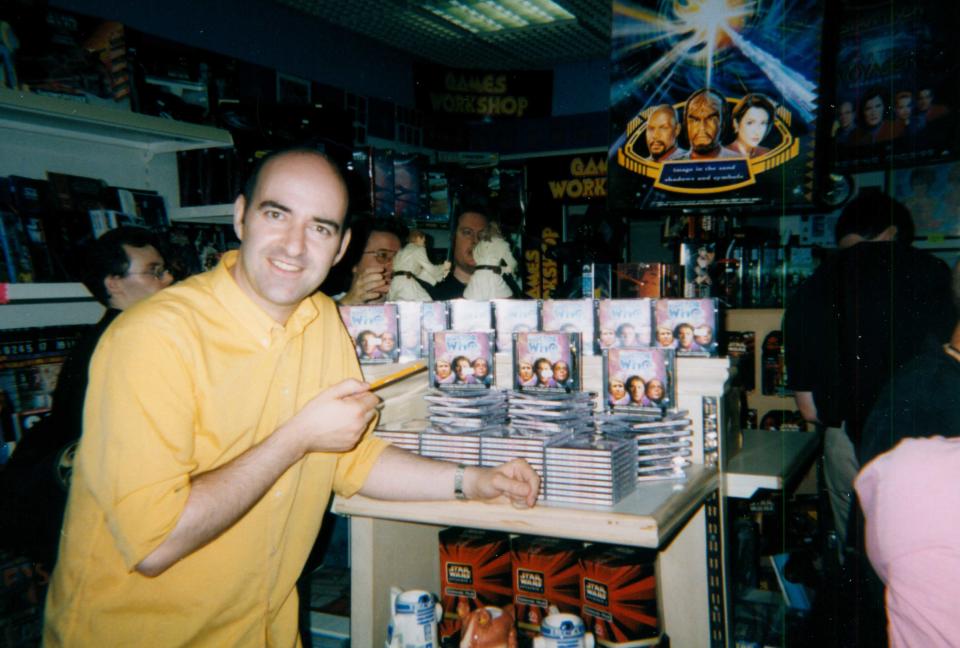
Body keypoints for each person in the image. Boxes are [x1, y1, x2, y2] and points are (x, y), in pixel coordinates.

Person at [43, 147, 540, 646]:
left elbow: (352, 459)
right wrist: (298, 437)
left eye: (320, 227)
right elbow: (154, 542)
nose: (295, 246)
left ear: (341, 246)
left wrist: (471, 481)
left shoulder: (322, 319)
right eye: (276, 214)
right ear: (241, 217)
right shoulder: (151, 336)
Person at [0, 226, 173, 569]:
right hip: (83, 509)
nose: (167, 280)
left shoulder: (115, 335)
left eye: (165, 270)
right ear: (113, 283)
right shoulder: (124, 342)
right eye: (154, 272)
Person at [323, 216, 405, 304]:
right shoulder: (323, 308)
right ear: (355, 260)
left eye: (398, 258)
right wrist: (347, 303)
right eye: (383, 255)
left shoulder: (410, 308)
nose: (394, 265)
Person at [429, 203, 489, 301]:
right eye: (467, 232)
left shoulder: (503, 290)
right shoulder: (434, 293)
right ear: (453, 239)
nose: (476, 241)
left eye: (482, 235)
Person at [386, 229, 450, 302]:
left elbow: (420, 273)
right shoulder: (418, 249)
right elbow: (431, 269)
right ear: (418, 238)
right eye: (424, 240)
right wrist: (444, 267)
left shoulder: (401, 251)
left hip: (395, 284)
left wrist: (442, 274)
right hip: (406, 283)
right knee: (427, 303)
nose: (424, 244)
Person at [678, 88, 740, 160]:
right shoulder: (671, 167)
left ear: (723, 124)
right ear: (686, 125)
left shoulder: (740, 163)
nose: (702, 127)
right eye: (695, 120)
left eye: (710, 119)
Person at [729, 93, 775, 158]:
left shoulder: (767, 154)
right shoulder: (722, 155)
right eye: (750, 123)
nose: (757, 131)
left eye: (763, 123)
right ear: (736, 124)